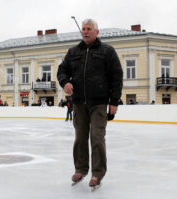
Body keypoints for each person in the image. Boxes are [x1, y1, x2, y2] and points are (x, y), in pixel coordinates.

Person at [57, 18, 123, 188]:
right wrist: (65, 82)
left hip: (99, 103)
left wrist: (114, 102)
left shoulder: (107, 51)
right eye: (84, 29)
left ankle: (97, 173)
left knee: (97, 137)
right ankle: (80, 169)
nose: (85, 31)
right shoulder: (73, 52)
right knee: (80, 138)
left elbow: (117, 77)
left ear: (96, 32)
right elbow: (62, 70)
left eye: (89, 29)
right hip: (79, 103)